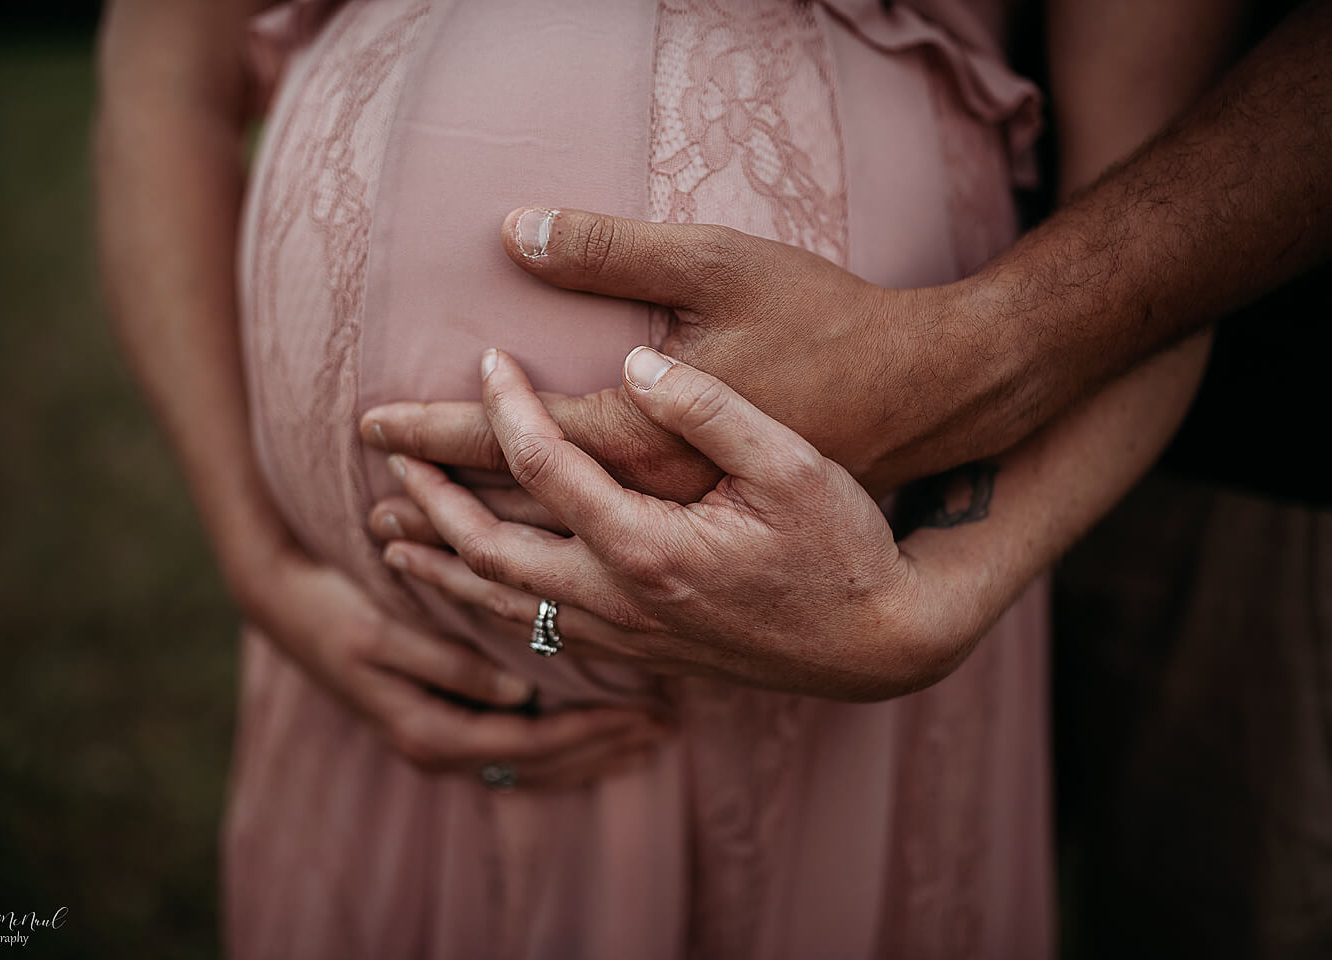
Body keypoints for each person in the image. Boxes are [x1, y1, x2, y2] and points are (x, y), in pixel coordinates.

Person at [93, 0, 1239, 956]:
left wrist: (945, 588)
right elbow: (163, 76)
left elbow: (1172, 213)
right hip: (376, 673)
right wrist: (257, 557)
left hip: (838, 703)